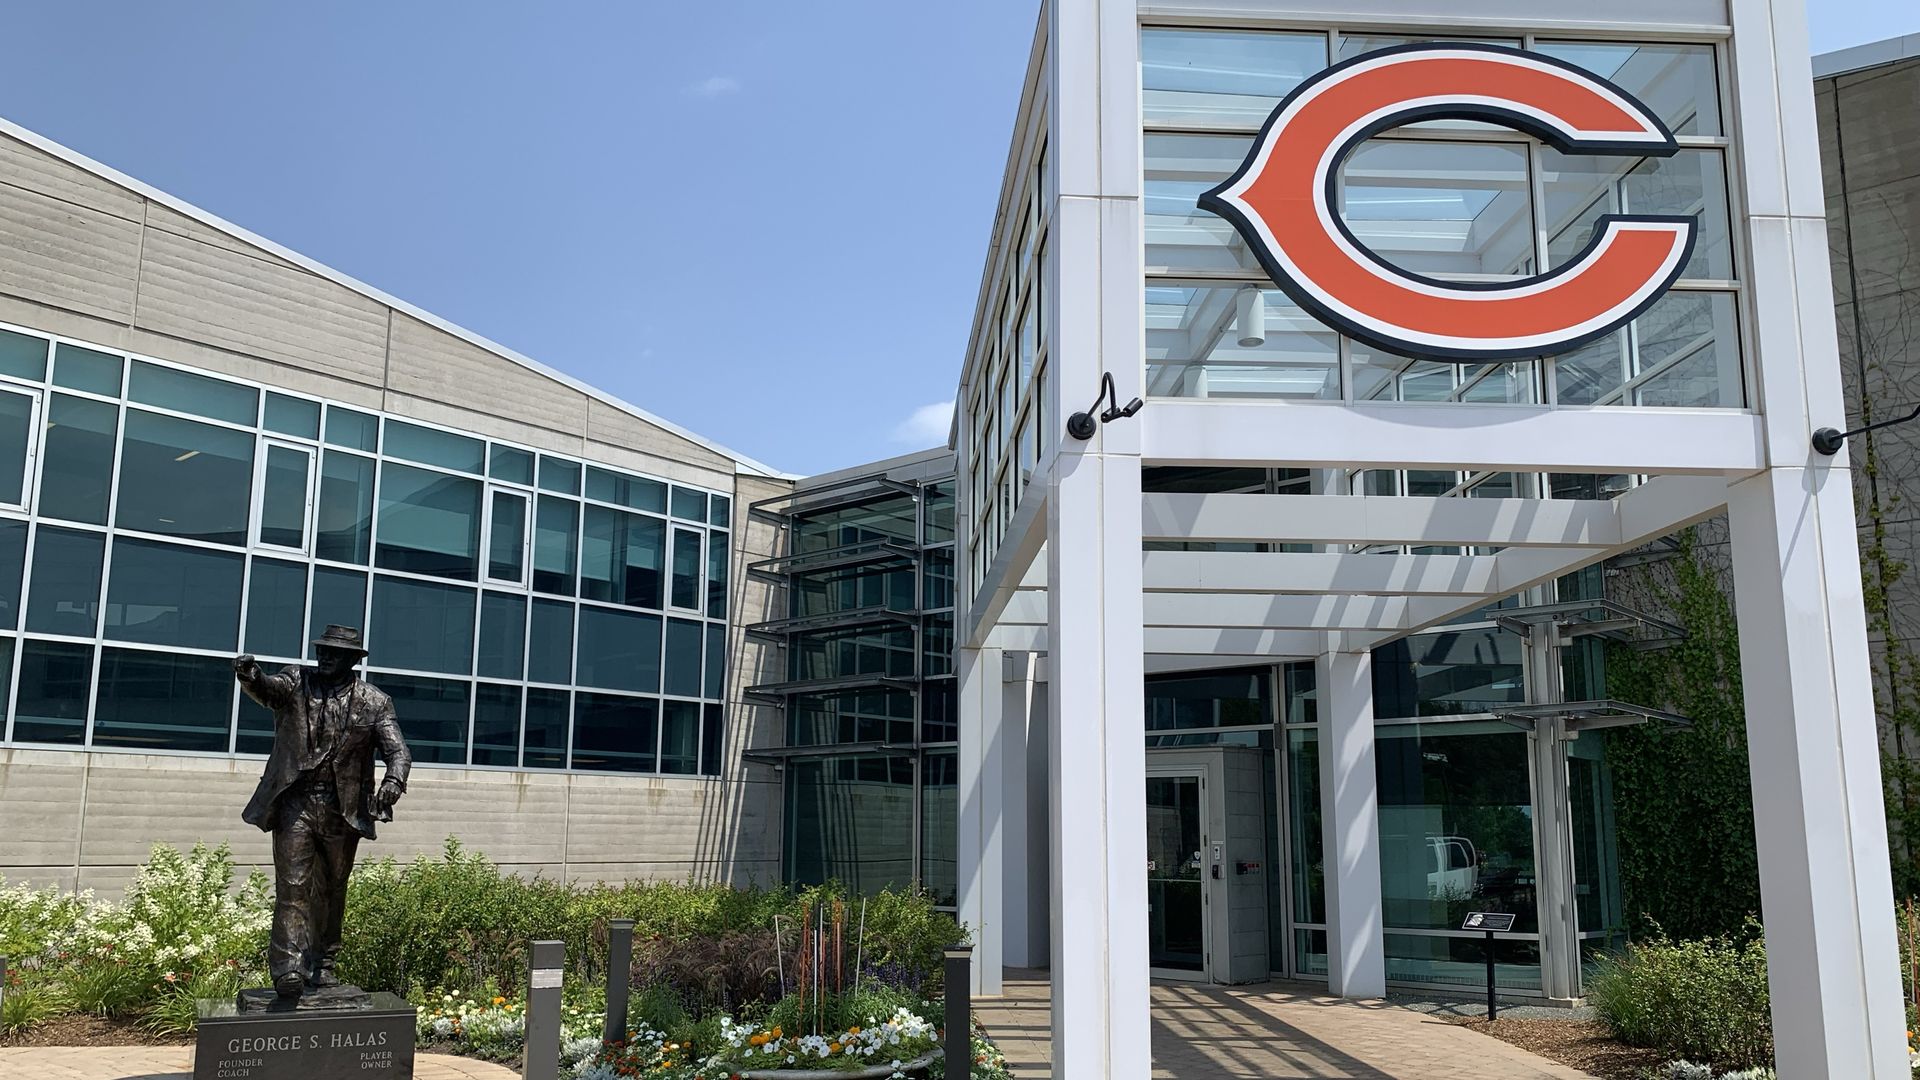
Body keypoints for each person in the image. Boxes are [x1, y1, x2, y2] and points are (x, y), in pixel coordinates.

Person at [234, 625, 411, 998]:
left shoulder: (374, 701)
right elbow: (269, 689)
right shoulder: (296, 681)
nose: (325, 657)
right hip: (295, 802)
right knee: (293, 887)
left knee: (331, 890)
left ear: (352, 659)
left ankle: (323, 964)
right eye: (322, 650)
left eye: (334, 653)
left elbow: (398, 750)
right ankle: (288, 969)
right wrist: (251, 674)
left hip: (340, 810)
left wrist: (393, 782)